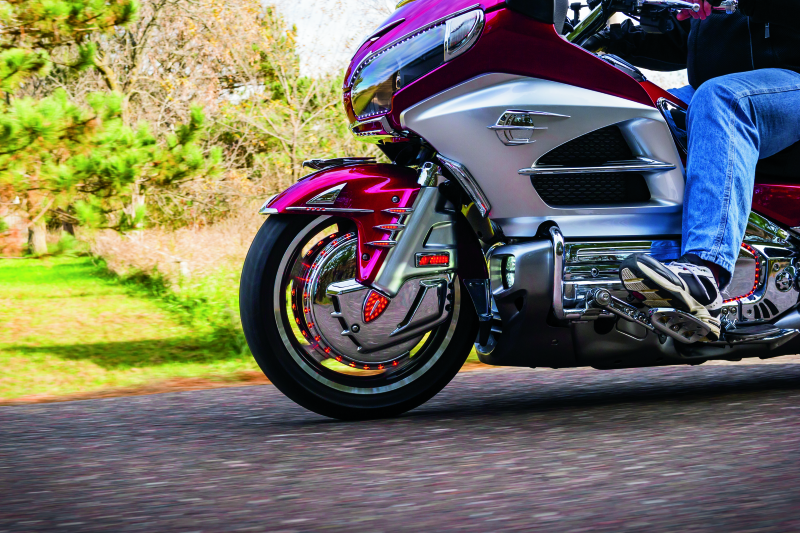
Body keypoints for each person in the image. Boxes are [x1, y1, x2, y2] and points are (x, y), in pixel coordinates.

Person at [586, 0, 800, 341]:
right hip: (723, 84)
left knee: (723, 100)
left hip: (790, 81)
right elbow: (685, 38)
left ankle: (704, 274)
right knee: (639, 110)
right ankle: (661, 280)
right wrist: (611, 38)